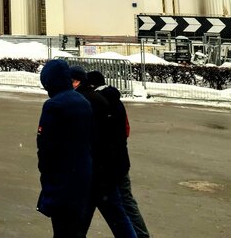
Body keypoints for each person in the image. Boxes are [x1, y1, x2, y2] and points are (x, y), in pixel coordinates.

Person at [69, 65, 136, 238]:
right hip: (110, 166)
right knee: (120, 214)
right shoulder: (106, 100)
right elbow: (123, 131)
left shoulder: (87, 102)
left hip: (98, 170)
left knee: (118, 213)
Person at [87, 70, 150, 238]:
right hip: (120, 161)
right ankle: (141, 235)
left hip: (106, 165)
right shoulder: (116, 101)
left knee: (112, 206)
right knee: (126, 203)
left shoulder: (97, 103)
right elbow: (126, 130)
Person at [37, 59, 95, 238]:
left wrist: (46, 173)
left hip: (61, 176)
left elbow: (45, 146)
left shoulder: (53, 105)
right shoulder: (82, 101)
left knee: (61, 229)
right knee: (74, 229)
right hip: (82, 174)